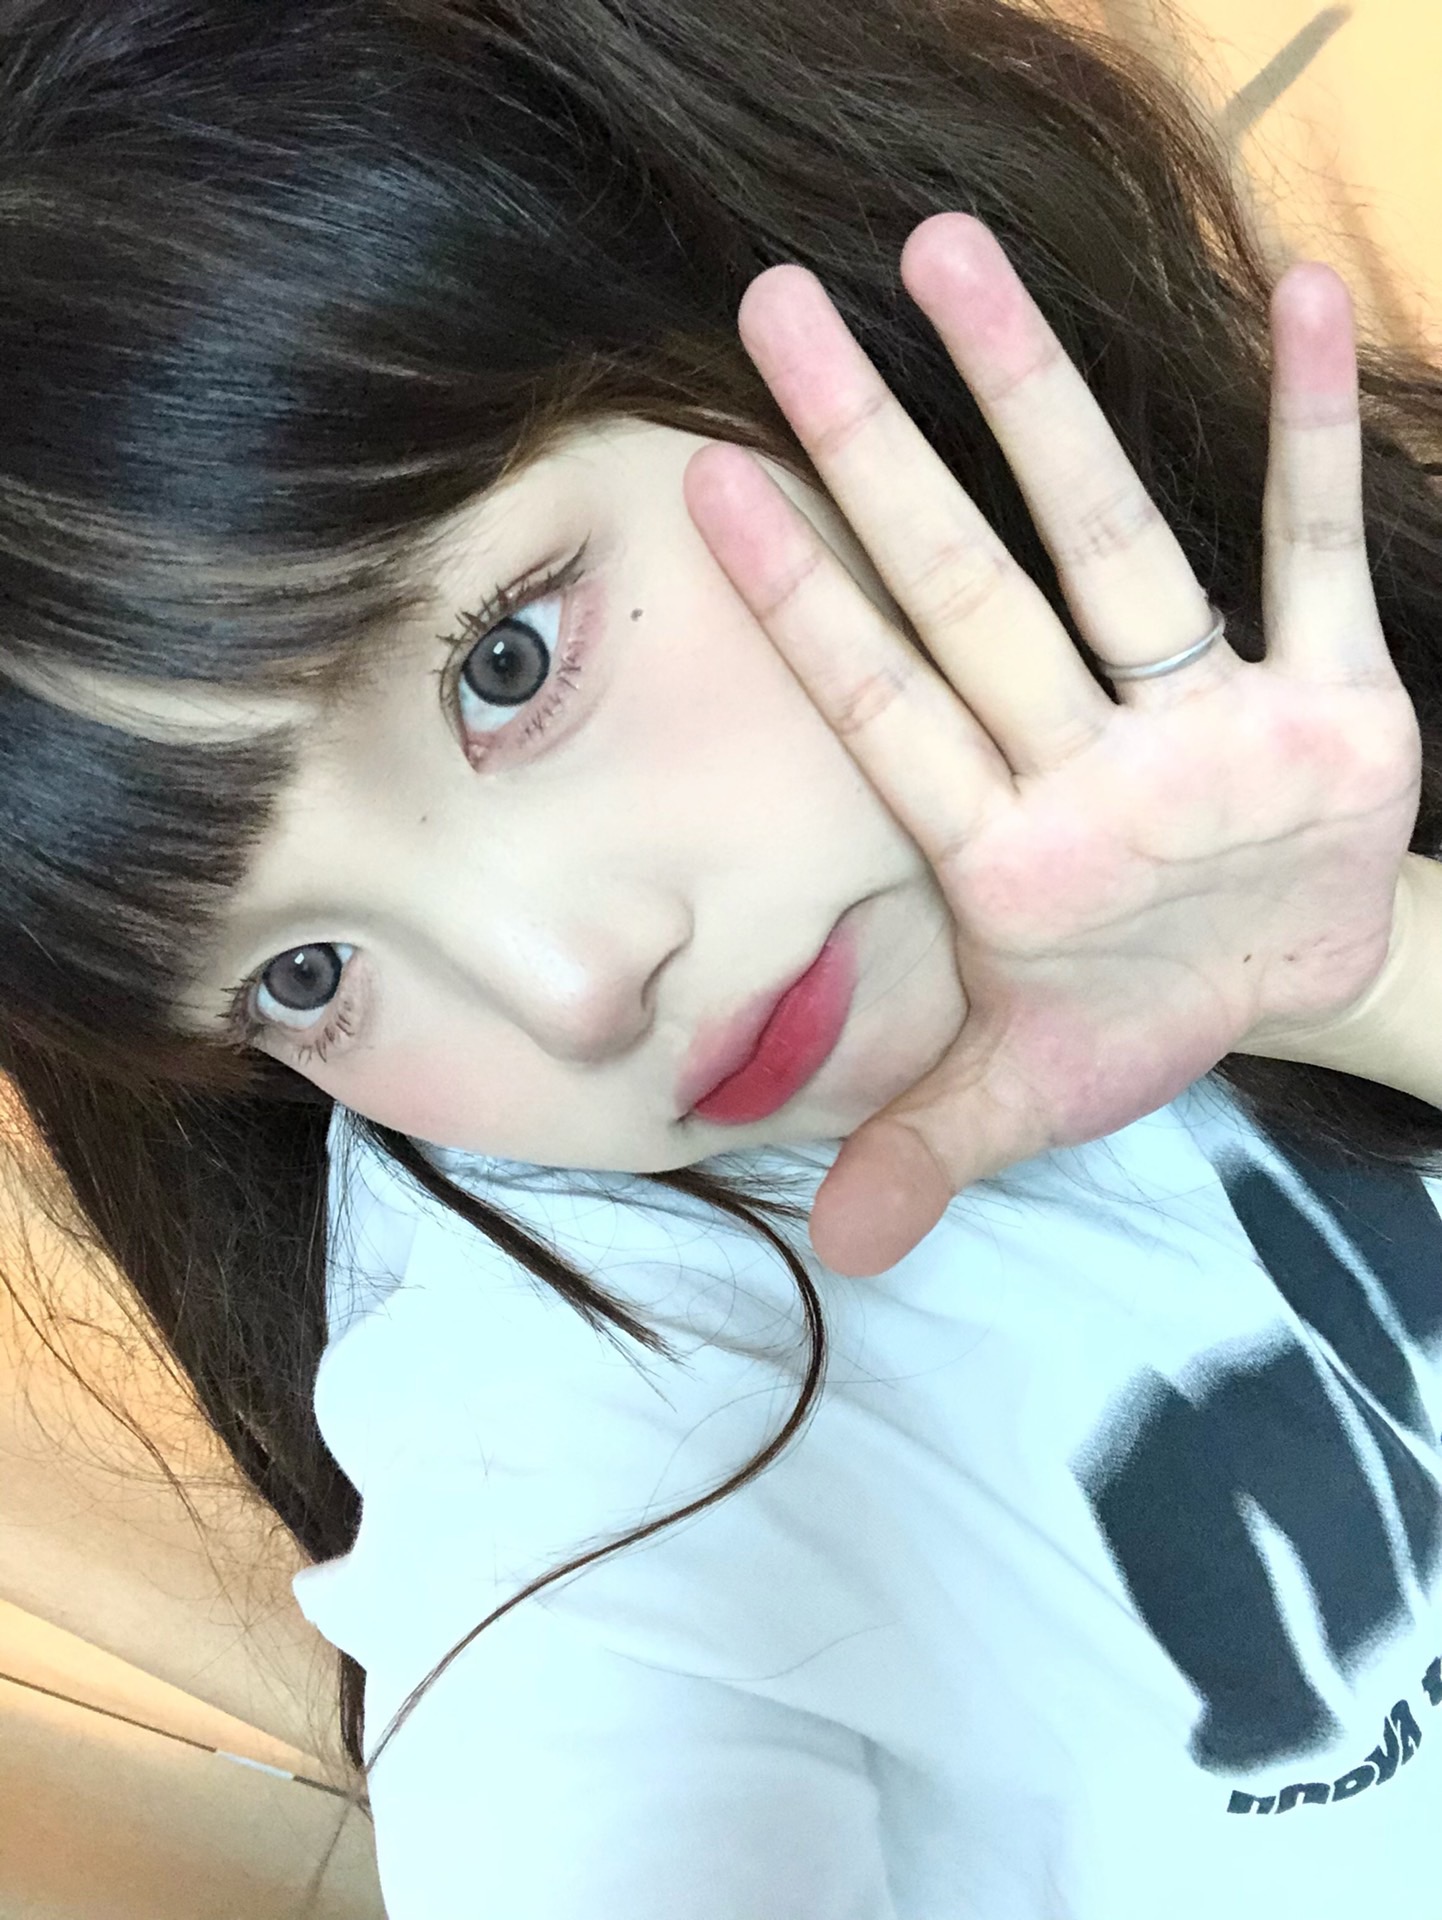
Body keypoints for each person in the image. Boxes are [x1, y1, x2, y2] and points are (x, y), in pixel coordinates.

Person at [2, 0, 1441, 1913]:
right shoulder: (578, 1458)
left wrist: (1370, 968)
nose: (567, 986)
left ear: (726, 301)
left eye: (504, 660)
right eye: (300, 977)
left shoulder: (1290, 639)